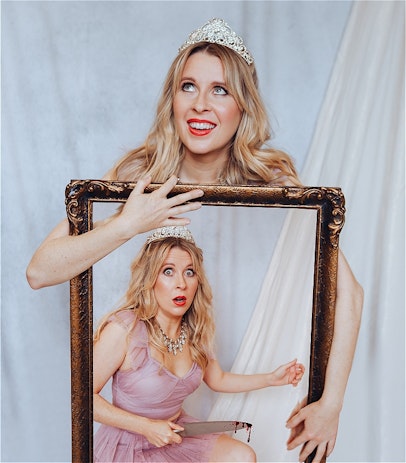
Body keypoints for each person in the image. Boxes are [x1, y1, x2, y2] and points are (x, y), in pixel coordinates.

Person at [27, 18, 363, 462]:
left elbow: (349, 296)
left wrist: (331, 404)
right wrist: (128, 223)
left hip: (215, 410)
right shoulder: (136, 176)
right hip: (142, 414)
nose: (200, 105)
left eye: (220, 90)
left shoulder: (274, 188)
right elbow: (40, 270)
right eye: (188, 86)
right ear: (172, 99)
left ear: (243, 106)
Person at [93, 225, 305, 462]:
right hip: (128, 443)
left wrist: (271, 379)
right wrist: (145, 427)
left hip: (175, 434)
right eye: (168, 271)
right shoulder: (124, 329)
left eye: (189, 272)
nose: (181, 283)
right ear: (150, 278)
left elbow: (218, 379)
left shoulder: (195, 331)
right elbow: (82, 398)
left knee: (242, 457)